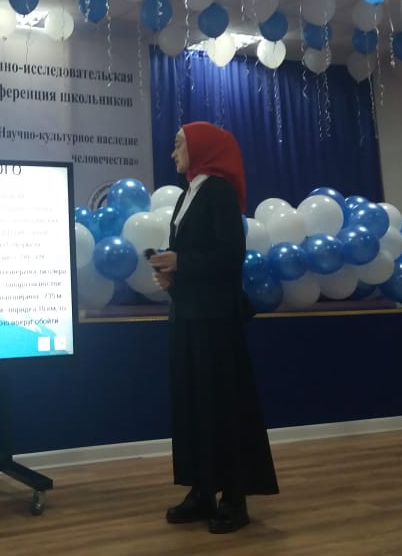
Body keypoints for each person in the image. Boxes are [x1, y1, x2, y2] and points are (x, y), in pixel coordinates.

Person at [148, 121, 278, 534]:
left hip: (215, 321)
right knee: (193, 405)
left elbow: (229, 257)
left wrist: (181, 263)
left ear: (201, 147)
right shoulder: (188, 193)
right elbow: (193, 256)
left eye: (179, 145)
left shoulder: (219, 191)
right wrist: (172, 276)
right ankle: (202, 490)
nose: (173, 154)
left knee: (221, 406)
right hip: (188, 315)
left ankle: (234, 498)